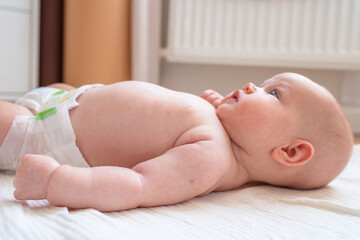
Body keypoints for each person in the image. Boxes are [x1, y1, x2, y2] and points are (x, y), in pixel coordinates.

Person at [0, 73, 353, 211]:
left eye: (273, 93)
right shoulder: (224, 131)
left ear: (290, 152)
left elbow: (137, 185)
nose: (251, 86)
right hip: (69, 99)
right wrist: (216, 105)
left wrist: (55, 181)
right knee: (59, 85)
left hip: (42, 136)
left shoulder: (210, 159)